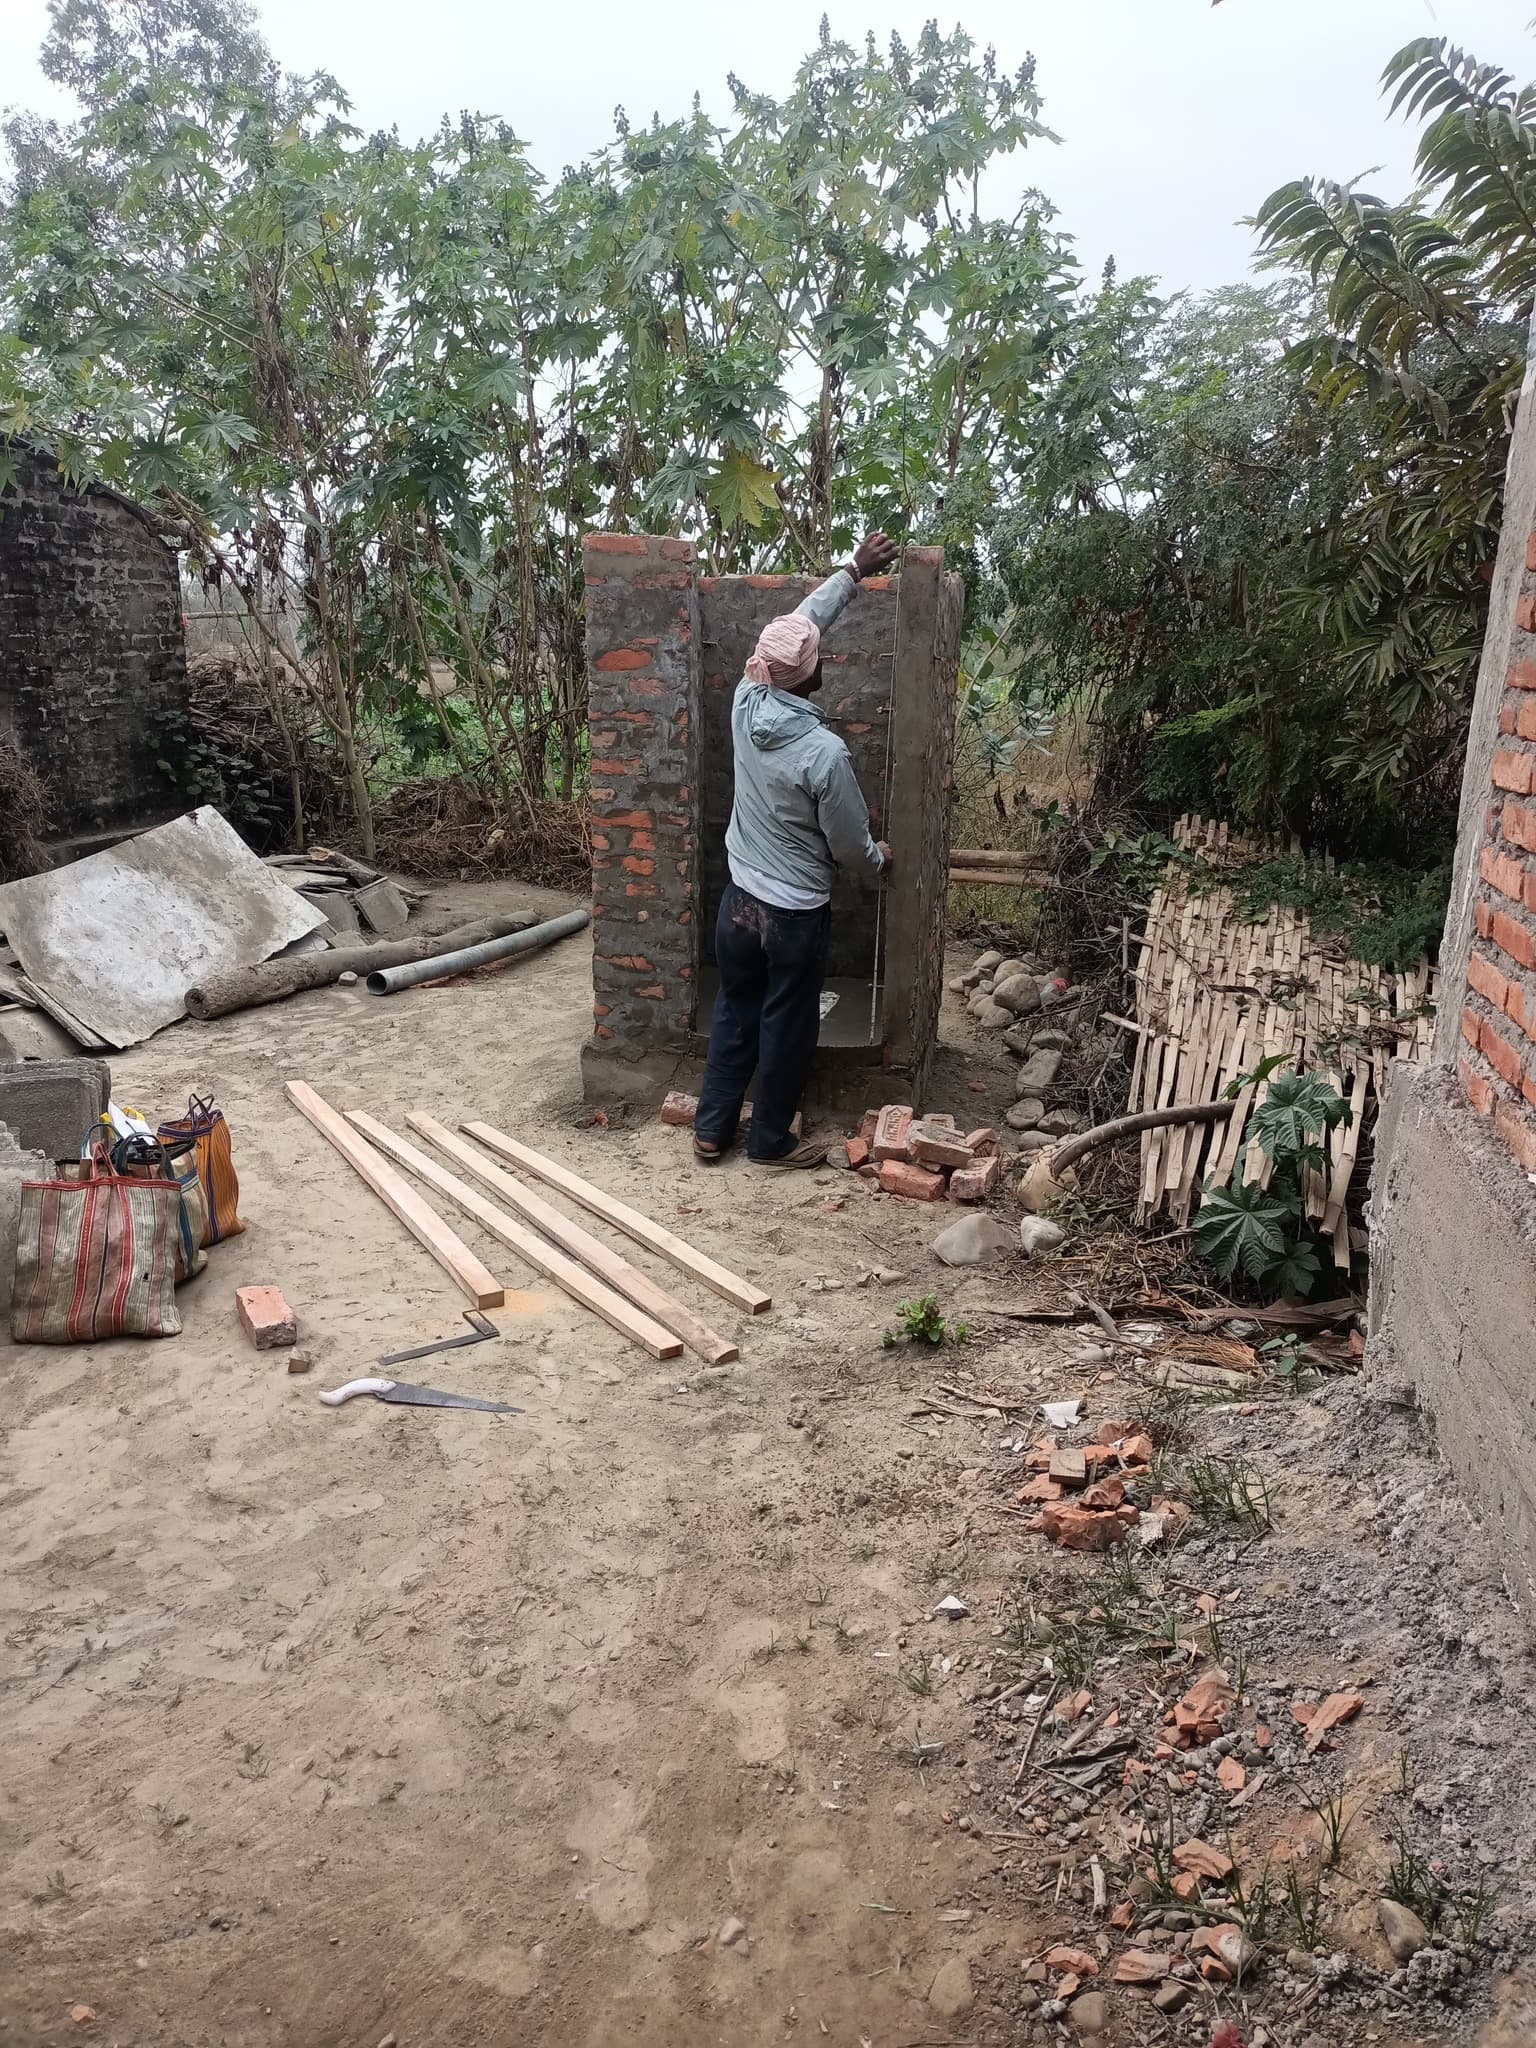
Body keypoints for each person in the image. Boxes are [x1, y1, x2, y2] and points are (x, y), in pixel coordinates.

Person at [693, 530, 900, 1169]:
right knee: (787, 1020)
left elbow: (800, 624)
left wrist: (851, 572)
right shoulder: (823, 753)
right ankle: (769, 1140)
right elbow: (845, 842)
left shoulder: (745, 700)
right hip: (791, 916)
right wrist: (878, 863)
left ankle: (711, 1127)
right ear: (817, 672)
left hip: (740, 904)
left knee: (735, 1004)